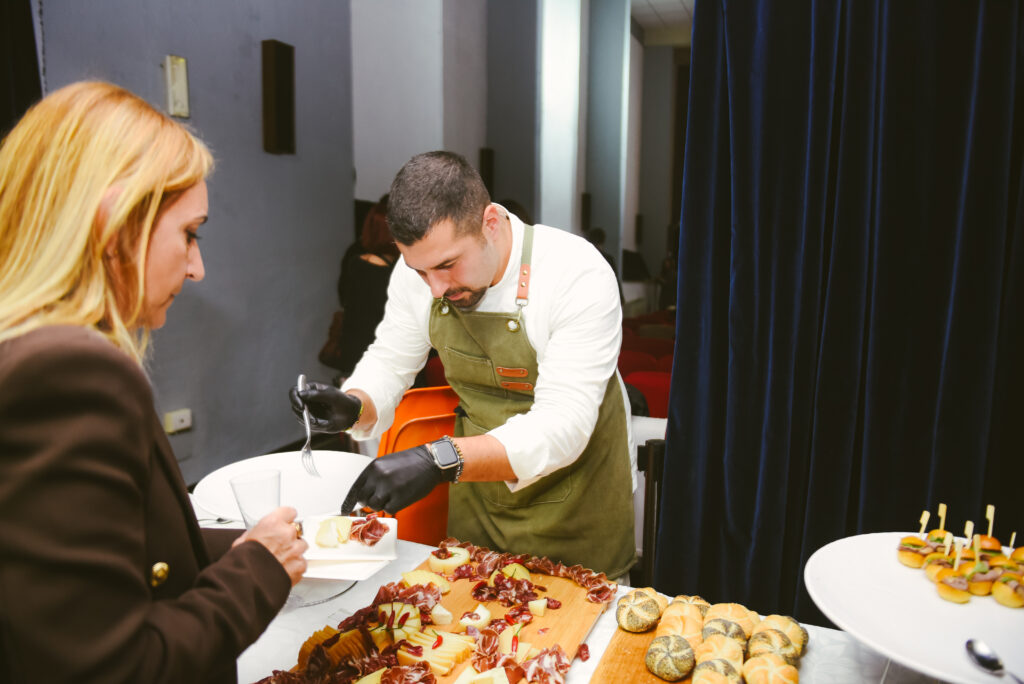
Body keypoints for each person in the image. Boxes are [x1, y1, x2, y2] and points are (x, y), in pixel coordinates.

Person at [0, 81, 307, 684]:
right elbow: (112, 666)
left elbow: (114, 564)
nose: (197, 268)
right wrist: (259, 571)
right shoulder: (68, 376)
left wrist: (238, 545)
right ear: (116, 224)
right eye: (190, 234)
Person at [291, 151, 636, 579]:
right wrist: (355, 404)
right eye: (421, 272)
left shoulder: (575, 272)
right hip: (480, 492)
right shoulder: (420, 270)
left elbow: (563, 426)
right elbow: (391, 362)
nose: (436, 288)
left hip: (578, 504)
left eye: (448, 265)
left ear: (490, 223)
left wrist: (440, 458)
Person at [334, 194, 399, 377]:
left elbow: (343, 299)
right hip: (380, 359)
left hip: (352, 354)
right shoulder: (395, 272)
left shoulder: (355, 260)